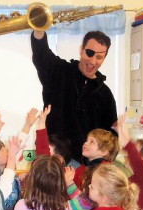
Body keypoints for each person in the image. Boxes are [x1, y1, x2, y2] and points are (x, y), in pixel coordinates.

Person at [31, 30, 117, 162]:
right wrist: (39, 29)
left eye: (99, 57)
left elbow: (110, 138)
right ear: (81, 50)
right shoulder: (59, 71)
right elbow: (41, 52)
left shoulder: (105, 95)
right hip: (51, 158)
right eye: (89, 53)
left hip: (83, 167)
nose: (93, 61)